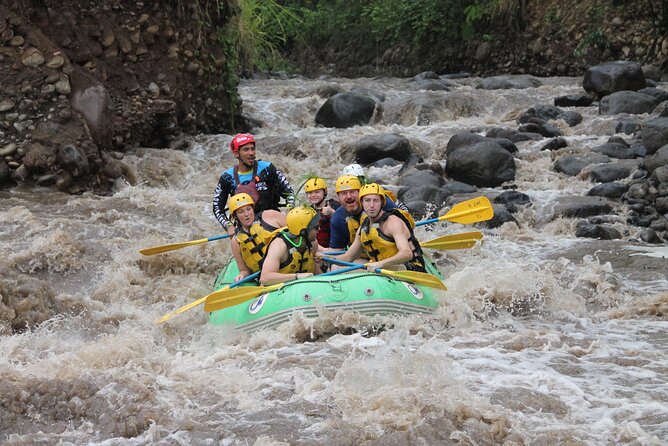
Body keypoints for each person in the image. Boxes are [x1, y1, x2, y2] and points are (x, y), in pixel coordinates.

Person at [213, 133, 294, 236]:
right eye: (246, 150)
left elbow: (289, 193)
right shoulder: (227, 178)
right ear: (236, 154)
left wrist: (289, 210)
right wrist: (229, 226)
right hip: (246, 230)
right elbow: (217, 208)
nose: (251, 153)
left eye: (252, 149)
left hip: (272, 225)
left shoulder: (267, 169)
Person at [337, 183, 426, 272]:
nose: (371, 205)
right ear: (362, 203)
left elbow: (406, 253)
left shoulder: (393, 222)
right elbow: (348, 257)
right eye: (367, 200)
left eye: (375, 201)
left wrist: (380, 264)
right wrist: (326, 258)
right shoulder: (363, 229)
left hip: (410, 269)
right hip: (384, 270)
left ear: (382, 203)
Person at [329, 174, 400, 250]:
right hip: (361, 258)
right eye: (344, 193)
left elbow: (405, 229)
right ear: (338, 197)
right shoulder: (338, 218)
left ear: (360, 193)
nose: (349, 196)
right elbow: (336, 250)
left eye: (352, 192)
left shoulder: (381, 204)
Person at [228, 193, 286, 282]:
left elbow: (295, 230)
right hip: (267, 279)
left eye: (248, 209)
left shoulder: (270, 216)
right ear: (235, 216)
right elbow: (244, 270)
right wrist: (242, 275)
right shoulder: (236, 241)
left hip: (288, 266)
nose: (246, 214)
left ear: (253, 208)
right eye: (241, 212)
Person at [260, 206, 322, 285]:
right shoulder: (279, 245)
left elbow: (313, 268)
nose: (319, 229)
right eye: (316, 227)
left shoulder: (312, 243)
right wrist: (297, 277)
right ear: (303, 230)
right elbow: (265, 278)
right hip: (279, 291)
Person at [303, 176, 340, 248]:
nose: (313, 195)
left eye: (317, 192)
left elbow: (345, 221)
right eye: (310, 193)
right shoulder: (308, 212)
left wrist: (332, 213)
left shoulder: (335, 205)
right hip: (318, 247)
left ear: (325, 192)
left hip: (336, 246)